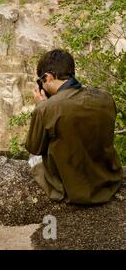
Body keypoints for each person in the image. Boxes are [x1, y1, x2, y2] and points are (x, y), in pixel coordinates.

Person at [25, 49, 123, 204]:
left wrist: (40, 106)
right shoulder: (106, 98)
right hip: (109, 182)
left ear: (48, 77)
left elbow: (34, 147)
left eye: (41, 82)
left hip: (73, 190)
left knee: (34, 159)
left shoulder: (47, 108)